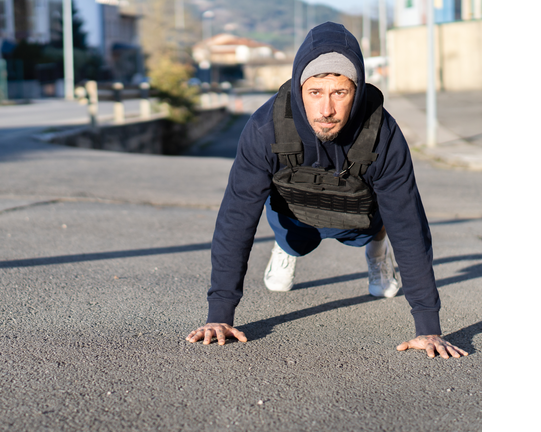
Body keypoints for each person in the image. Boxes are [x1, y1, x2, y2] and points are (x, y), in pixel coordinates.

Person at [185, 22, 467, 359]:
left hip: (359, 218)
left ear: (357, 91)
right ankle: (285, 247)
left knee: (376, 226)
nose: (327, 110)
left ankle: (377, 248)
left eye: (340, 93)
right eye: (315, 93)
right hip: (295, 214)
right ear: (300, 90)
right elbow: (237, 216)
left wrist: (428, 327)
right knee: (292, 251)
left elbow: (408, 223)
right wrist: (219, 315)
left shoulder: (383, 134)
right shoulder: (266, 130)